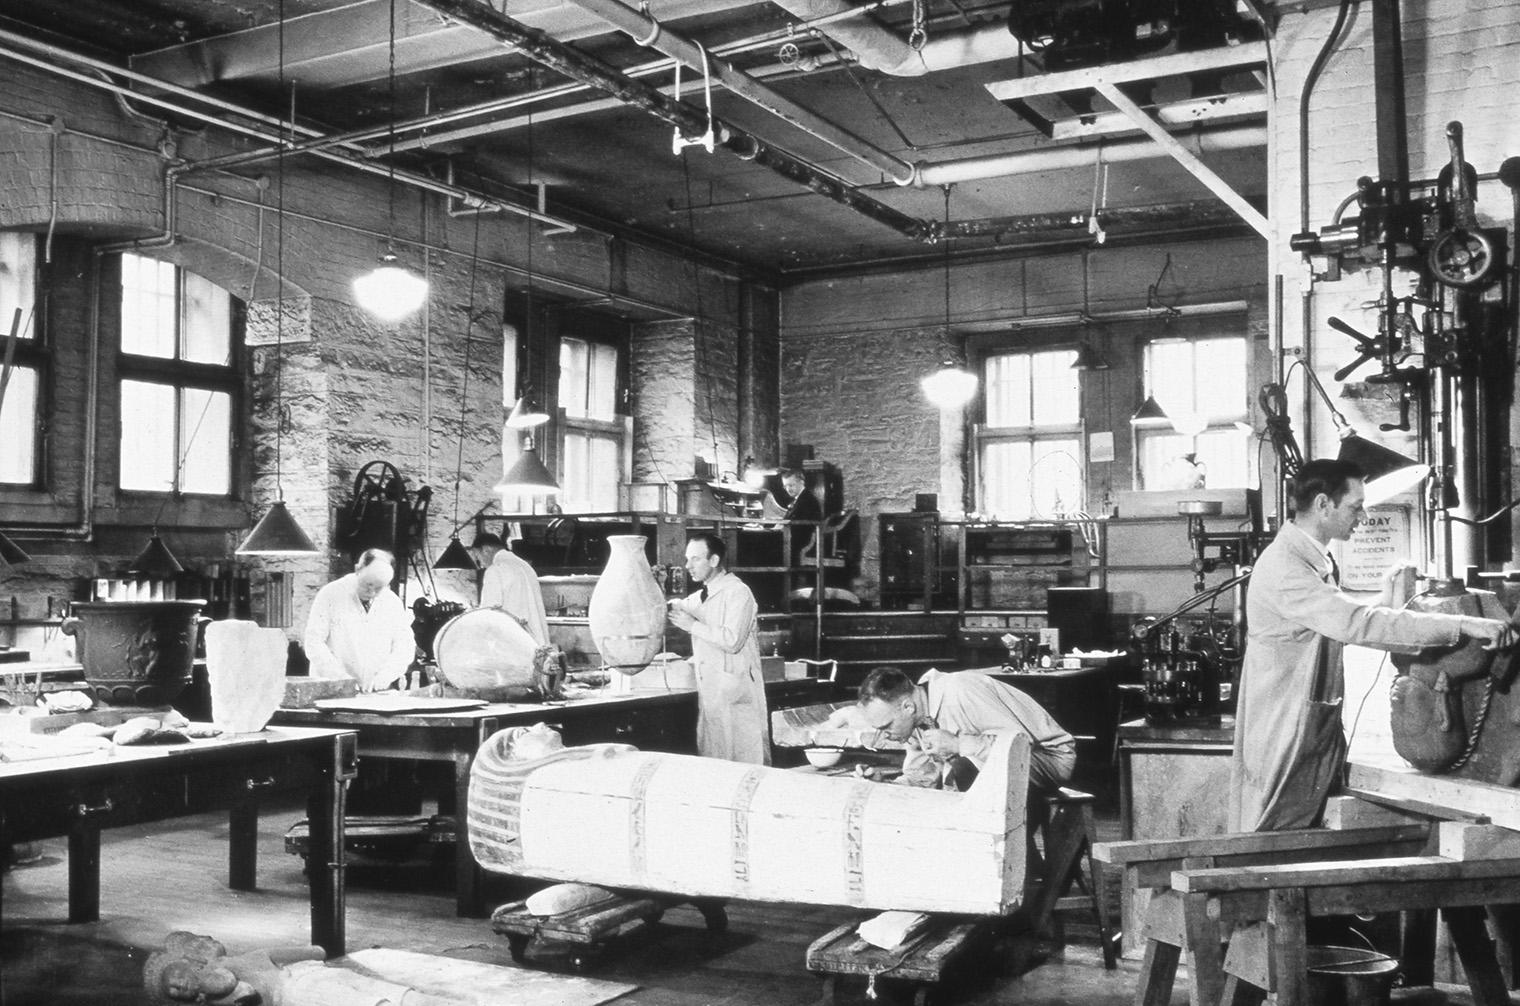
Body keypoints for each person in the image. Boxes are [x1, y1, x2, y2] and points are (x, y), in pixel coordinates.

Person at [1229, 458, 1516, 832]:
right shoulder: (1285, 567)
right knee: (1271, 831)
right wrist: (1463, 623)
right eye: (1355, 506)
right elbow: (1355, 624)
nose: (1362, 516)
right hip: (1282, 726)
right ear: (1323, 504)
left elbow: (1331, 620)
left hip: (1307, 722)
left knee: (1292, 829)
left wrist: (1384, 599)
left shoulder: (1309, 557)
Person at [849, 665, 1076, 792]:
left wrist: (959, 744)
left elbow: (1021, 745)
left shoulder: (961, 690)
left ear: (908, 706)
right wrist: (884, 785)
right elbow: (924, 777)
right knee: (957, 779)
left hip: (1050, 758)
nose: (886, 735)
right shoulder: (916, 720)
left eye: (886, 726)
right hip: (1011, 764)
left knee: (964, 768)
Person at [667, 532, 771, 764]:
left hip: (736, 691)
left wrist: (692, 626)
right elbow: (680, 605)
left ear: (714, 560)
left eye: (695, 559)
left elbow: (732, 641)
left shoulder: (738, 592)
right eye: (687, 559)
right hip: (714, 693)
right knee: (716, 759)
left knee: (744, 760)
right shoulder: (703, 594)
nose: (688, 566)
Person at [302, 548, 416, 692]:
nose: (372, 592)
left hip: (375, 692)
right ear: (357, 570)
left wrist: (386, 675)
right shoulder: (330, 594)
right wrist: (340, 678)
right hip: (332, 689)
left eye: (379, 588)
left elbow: (405, 646)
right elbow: (314, 642)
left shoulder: (392, 602)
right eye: (368, 584)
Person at [475, 532, 550, 646]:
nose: (481, 564)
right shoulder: (525, 566)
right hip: (535, 640)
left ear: (486, 550)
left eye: (478, 557)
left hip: (513, 643)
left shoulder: (495, 570)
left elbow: (489, 612)